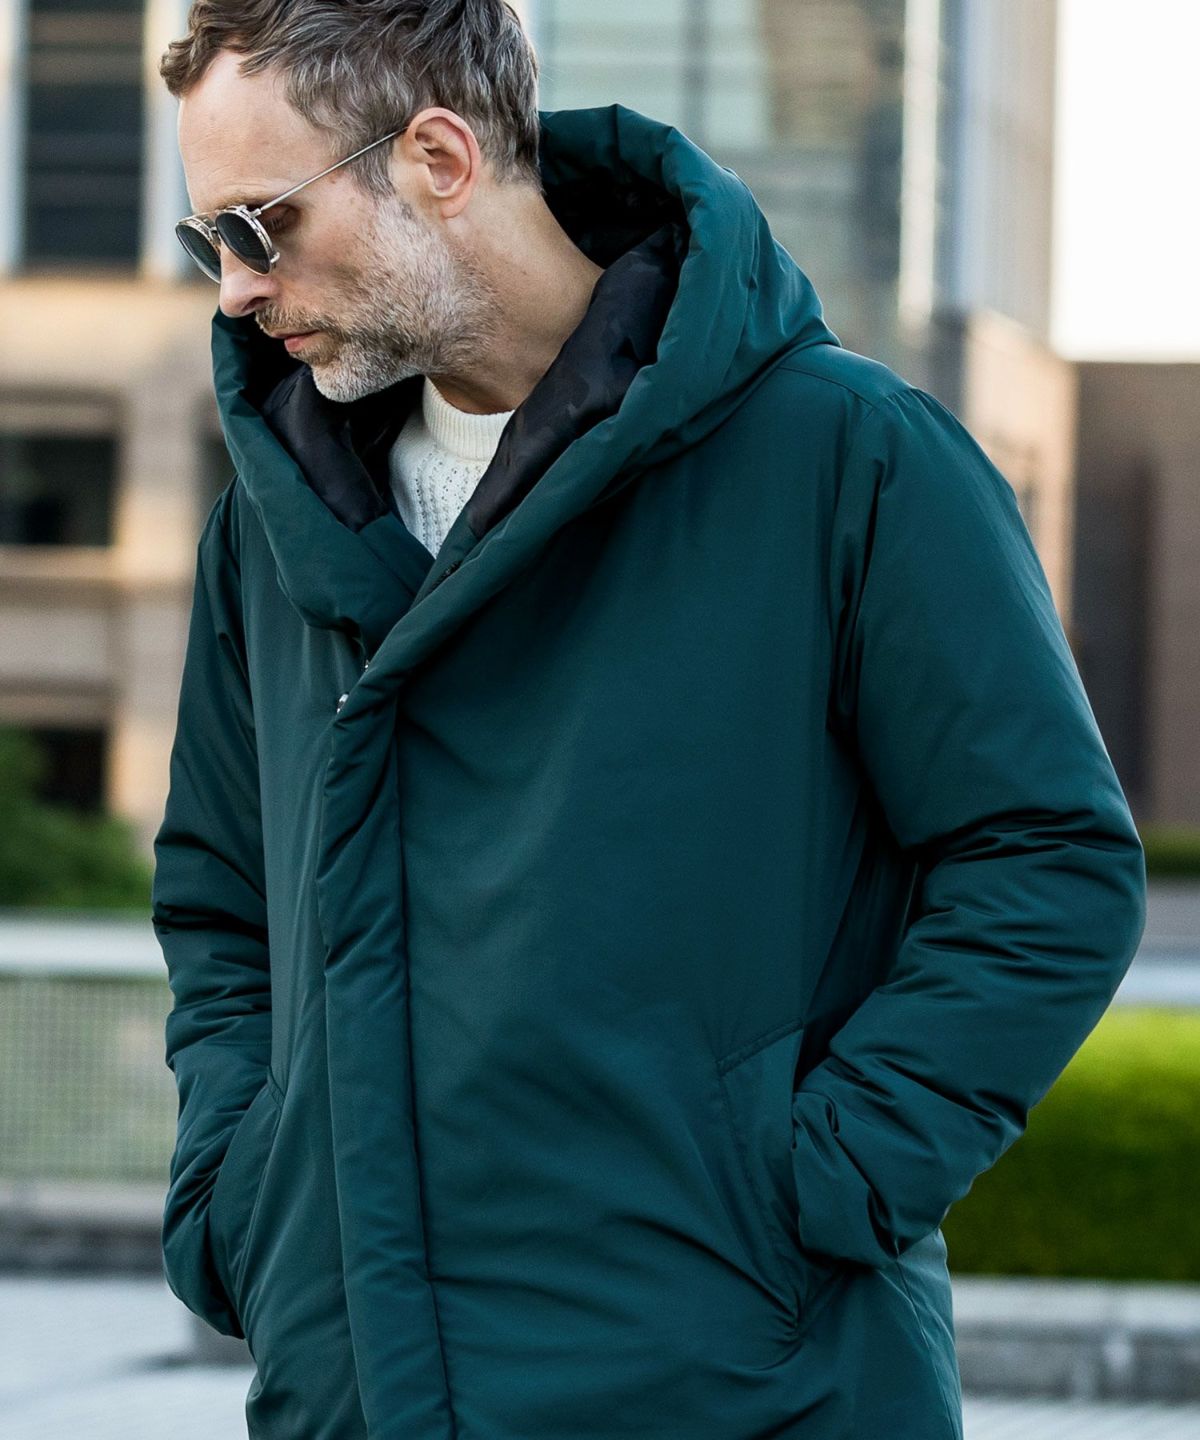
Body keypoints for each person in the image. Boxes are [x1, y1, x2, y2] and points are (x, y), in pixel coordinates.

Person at [152, 3, 1147, 1438]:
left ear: (438, 158)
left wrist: (825, 1181)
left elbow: (1045, 857)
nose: (239, 290)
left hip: (749, 1385)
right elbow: (220, 897)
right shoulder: (267, 527)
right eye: (211, 244)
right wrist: (243, 1194)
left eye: (261, 225)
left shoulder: (850, 459)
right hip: (356, 1386)